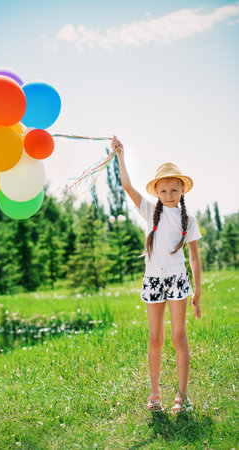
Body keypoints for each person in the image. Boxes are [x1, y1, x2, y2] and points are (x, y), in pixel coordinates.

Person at [111, 136, 202, 414]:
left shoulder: (189, 219)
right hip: (153, 281)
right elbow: (126, 186)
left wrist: (198, 292)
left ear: (182, 191)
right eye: (164, 190)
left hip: (177, 281)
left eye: (175, 189)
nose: (170, 194)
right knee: (155, 338)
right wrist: (120, 155)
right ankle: (155, 393)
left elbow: (195, 259)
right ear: (157, 193)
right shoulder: (150, 211)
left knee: (178, 337)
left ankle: (182, 396)